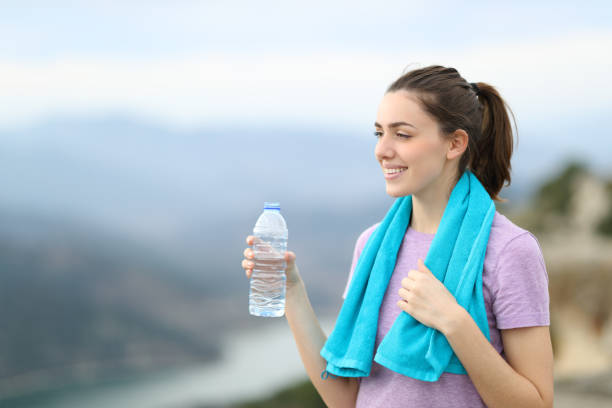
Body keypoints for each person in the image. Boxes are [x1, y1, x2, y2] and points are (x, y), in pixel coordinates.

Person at [241, 65, 553, 407]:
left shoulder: (509, 251)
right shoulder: (372, 246)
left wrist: (456, 323)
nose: (382, 150)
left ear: (455, 143)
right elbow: (345, 398)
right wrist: (291, 291)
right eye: (379, 133)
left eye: (402, 134)